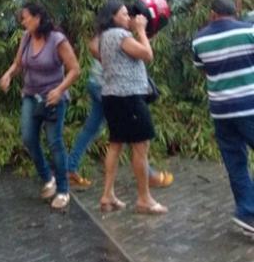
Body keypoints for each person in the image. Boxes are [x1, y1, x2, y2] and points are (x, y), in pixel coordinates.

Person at [0, 3, 80, 209]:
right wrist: (8, 75)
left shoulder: (57, 40)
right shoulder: (26, 37)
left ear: (38, 18)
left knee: (54, 142)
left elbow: (74, 69)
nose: (23, 22)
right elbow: (18, 63)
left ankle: (63, 190)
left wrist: (60, 90)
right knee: (28, 137)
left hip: (53, 98)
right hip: (30, 95)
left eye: (25, 18)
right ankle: (47, 177)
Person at [96, 0, 167, 214]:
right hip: (129, 98)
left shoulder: (103, 37)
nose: (129, 17)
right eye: (124, 14)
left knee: (116, 144)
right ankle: (144, 198)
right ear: (113, 17)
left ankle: (107, 195)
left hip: (112, 96)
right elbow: (147, 54)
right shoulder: (119, 35)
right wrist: (141, 30)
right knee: (140, 147)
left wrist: (137, 33)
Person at [192, 0, 254, 234]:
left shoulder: (199, 39)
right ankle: (247, 211)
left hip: (221, 111)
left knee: (235, 162)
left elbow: (202, 70)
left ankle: (247, 213)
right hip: (249, 107)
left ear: (212, 14)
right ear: (234, 12)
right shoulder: (249, 31)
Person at [67, 55, 174, 190]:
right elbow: (144, 55)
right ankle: (148, 176)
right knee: (131, 131)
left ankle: (70, 168)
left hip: (97, 81)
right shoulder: (118, 35)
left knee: (91, 129)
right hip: (109, 86)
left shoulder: (105, 34)